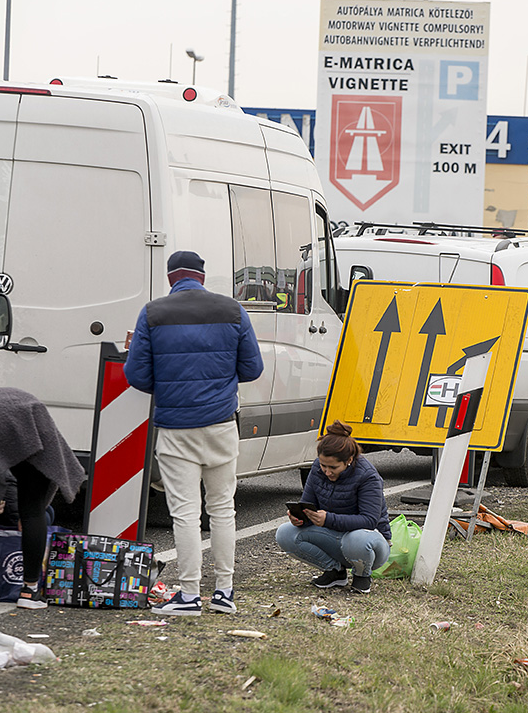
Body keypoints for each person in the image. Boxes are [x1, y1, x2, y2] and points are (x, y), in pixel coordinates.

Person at [125, 250, 264, 616]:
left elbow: (136, 375)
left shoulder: (153, 314)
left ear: (171, 278)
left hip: (175, 427)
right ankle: (224, 592)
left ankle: (188, 595)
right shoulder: (233, 311)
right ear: (202, 276)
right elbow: (252, 367)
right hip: (221, 424)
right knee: (223, 509)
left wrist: (169, 384)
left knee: (185, 512)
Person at [0, 387, 86, 608]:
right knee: (32, 512)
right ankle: (30, 591)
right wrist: (39, 509)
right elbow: (49, 469)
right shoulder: (21, 400)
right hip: (35, 425)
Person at [275, 421, 391, 594]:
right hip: (334, 535)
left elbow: (369, 520)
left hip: (370, 542)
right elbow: (308, 505)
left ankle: (362, 574)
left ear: (349, 460)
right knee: (285, 533)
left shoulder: (368, 476)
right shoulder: (317, 468)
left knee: (357, 539)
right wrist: (300, 518)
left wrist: (328, 519)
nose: (327, 472)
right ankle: (334, 572)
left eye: (333, 467)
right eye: (323, 466)